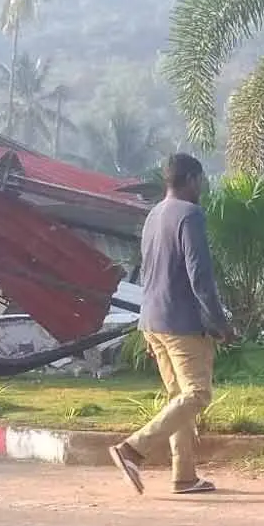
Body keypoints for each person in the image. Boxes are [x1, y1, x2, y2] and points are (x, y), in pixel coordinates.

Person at [109, 153, 234, 495]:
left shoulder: (153, 215)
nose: (201, 188)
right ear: (191, 179)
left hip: (152, 319)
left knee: (179, 397)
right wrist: (219, 322)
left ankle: (185, 475)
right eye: (201, 181)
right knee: (197, 393)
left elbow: (150, 271)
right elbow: (200, 276)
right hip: (182, 323)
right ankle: (132, 449)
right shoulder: (190, 215)